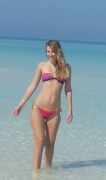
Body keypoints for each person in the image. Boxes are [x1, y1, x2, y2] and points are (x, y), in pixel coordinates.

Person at [13, 39, 73, 169]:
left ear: (58, 51)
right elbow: (33, 85)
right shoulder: (42, 65)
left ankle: (47, 178)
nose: (50, 54)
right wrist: (21, 104)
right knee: (40, 142)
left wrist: (70, 110)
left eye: (52, 51)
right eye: (48, 51)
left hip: (55, 113)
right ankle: (35, 179)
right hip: (38, 109)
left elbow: (68, 90)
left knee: (50, 146)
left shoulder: (67, 68)